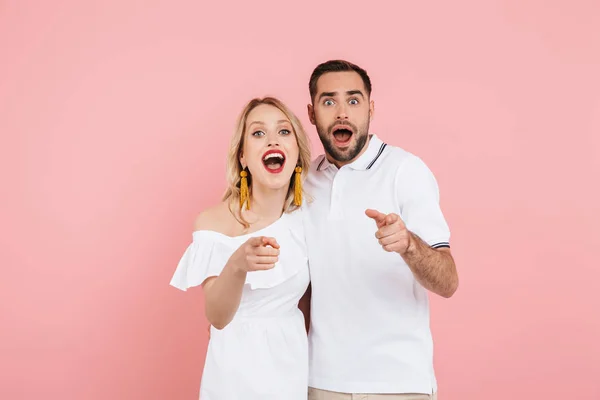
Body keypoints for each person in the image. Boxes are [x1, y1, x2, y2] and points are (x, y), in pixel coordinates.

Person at [301, 60, 459, 400]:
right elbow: (302, 287)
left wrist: (409, 246)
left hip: (397, 383)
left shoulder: (405, 170)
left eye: (353, 100)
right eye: (329, 101)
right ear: (312, 113)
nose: (342, 113)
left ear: (370, 108)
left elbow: (448, 282)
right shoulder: (304, 181)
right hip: (321, 381)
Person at [170, 97, 312, 399]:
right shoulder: (212, 222)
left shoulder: (307, 219)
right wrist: (237, 265)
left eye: (284, 132)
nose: (273, 140)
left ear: (297, 153)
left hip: (291, 372)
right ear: (243, 156)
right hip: (232, 376)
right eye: (258, 133)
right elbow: (217, 317)